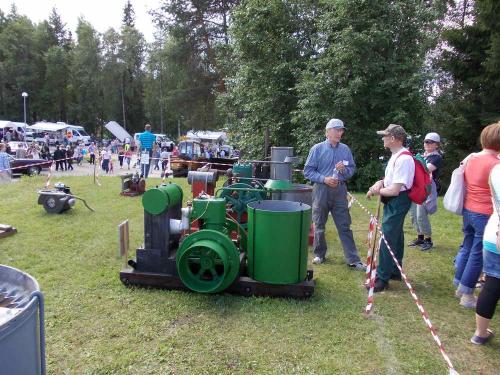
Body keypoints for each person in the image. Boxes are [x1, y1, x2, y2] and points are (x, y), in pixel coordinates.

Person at [304, 118, 366, 270]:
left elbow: (351, 169)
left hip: (339, 191)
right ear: (328, 132)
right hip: (321, 190)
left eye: (341, 130)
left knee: (344, 225)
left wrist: (344, 171)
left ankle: (353, 260)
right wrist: (324, 179)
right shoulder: (317, 149)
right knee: (319, 224)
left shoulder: (345, 149)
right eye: (337, 130)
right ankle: (319, 254)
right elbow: (308, 171)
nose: (340, 133)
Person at [454, 123, 500, 308]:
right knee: (477, 253)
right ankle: (467, 293)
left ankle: (459, 285)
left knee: (467, 246)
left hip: (469, 209)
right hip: (484, 213)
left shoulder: (471, 158)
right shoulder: (496, 164)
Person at [366, 124, 415, 292]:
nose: (383, 138)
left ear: (393, 138)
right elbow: (390, 181)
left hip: (398, 200)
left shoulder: (404, 159)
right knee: (395, 234)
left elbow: (394, 189)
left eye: (385, 136)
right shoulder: (397, 156)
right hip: (394, 199)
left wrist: (376, 190)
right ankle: (394, 270)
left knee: (386, 236)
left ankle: (382, 278)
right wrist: (380, 183)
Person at [470, 162, 500, 345]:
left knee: (492, 283)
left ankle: (480, 333)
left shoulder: (496, 169)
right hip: (496, 234)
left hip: (491, 235)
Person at [408, 132, 443, 251]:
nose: (427, 144)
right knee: (413, 214)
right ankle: (420, 237)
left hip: (427, 188)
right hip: (417, 186)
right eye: (425, 141)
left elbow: (426, 169)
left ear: (436, 145)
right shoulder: (423, 156)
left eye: (430, 142)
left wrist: (414, 161)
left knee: (421, 214)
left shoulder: (436, 157)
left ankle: (428, 240)